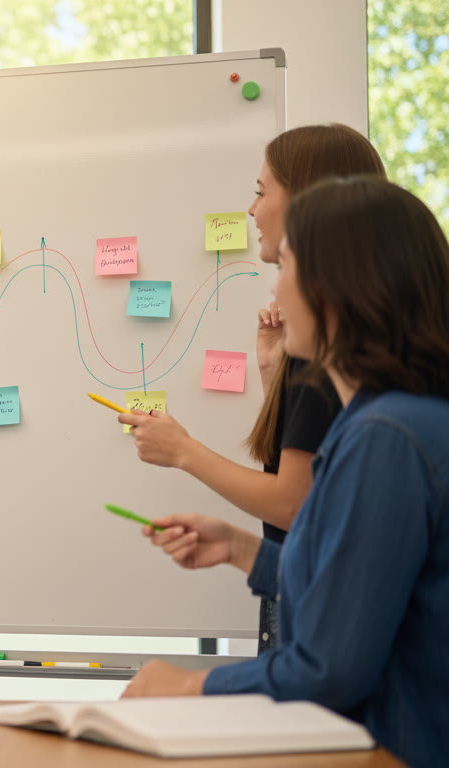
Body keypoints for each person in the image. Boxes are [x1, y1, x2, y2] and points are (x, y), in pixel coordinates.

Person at [121, 177, 449, 768]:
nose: (275, 284)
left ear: (333, 288)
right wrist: (247, 551)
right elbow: (362, 591)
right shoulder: (377, 422)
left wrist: (187, 686)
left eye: (287, 263)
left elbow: (331, 669)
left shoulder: (387, 438)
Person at [117, 124, 385, 650]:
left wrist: (183, 451)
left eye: (261, 192)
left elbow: (294, 502)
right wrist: (274, 380)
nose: (250, 210)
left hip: (314, 612)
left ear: (310, 205)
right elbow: (319, 470)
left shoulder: (340, 348)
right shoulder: (338, 347)